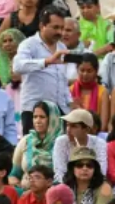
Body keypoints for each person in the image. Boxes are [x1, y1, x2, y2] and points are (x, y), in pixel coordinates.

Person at [11, 7, 71, 135]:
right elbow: (17, 66)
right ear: (42, 26)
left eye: (61, 28)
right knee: (34, 146)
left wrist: (69, 103)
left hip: (58, 111)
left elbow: (62, 79)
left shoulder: (61, 46)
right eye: (55, 27)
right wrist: (46, 61)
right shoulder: (29, 44)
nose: (59, 32)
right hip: (34, 111)